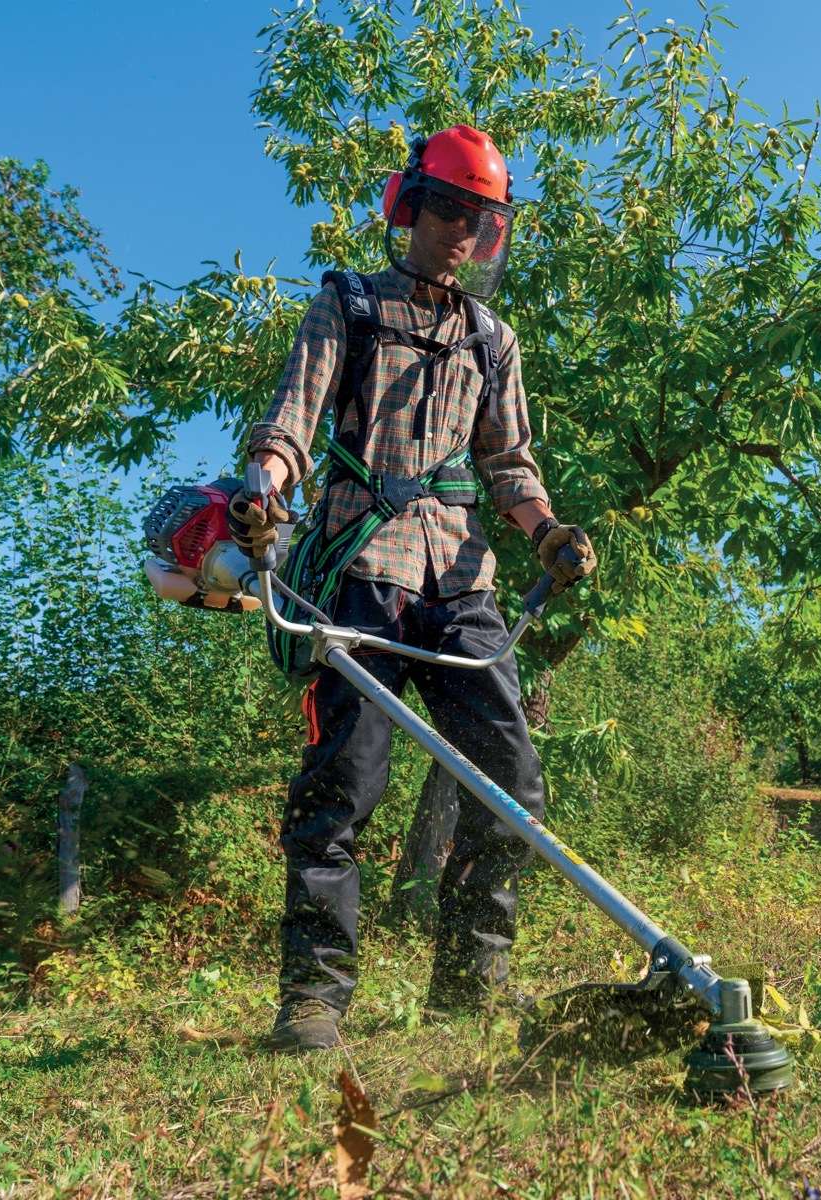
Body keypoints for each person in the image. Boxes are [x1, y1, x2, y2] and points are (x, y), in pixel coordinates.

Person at [228, 124, 596, 1051]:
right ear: (407, 206)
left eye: (484, 218)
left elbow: (508, 461)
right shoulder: (346, 307)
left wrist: (547, 533)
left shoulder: (490, 338)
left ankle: (470, 983)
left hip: (461, 580)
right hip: (360, 571)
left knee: (510, 781)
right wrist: (265, 491)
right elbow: (289, 424)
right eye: (448, 209)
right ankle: (314, 999)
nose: (464, 231)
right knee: (340, 787)